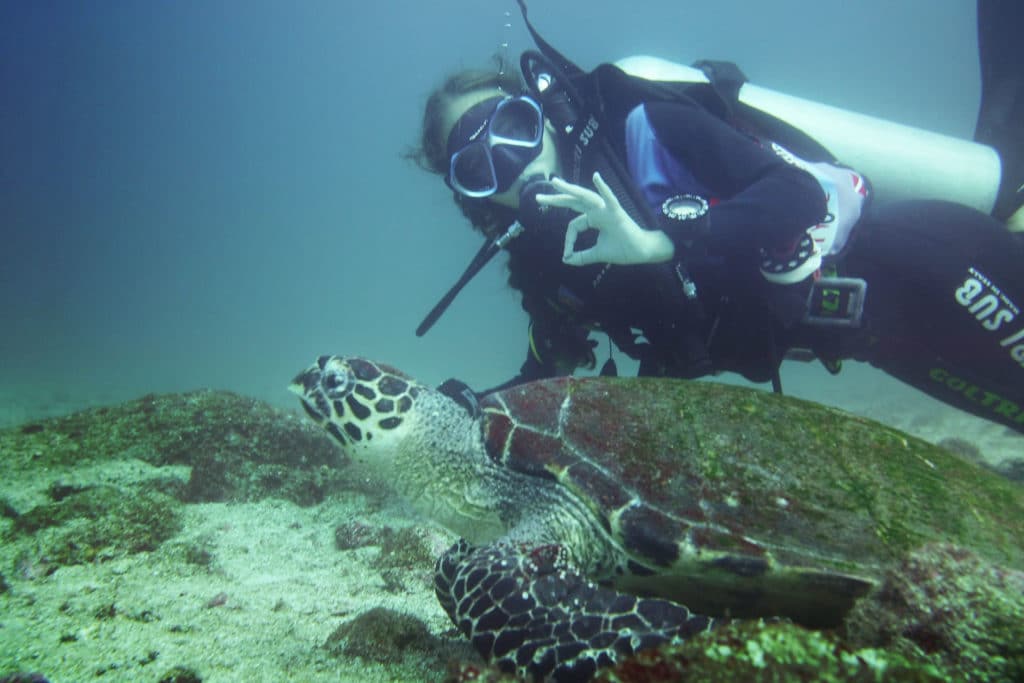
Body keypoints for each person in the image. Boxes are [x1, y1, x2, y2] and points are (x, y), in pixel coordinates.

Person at [408, 2, 1024, 436]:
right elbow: (550, 362)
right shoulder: (550, 264)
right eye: (479, 163)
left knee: (1008, 173)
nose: (513, 163)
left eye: (513, 128)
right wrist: (467, 415)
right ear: (475, 197)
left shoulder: (642, 131)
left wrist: (665, 240)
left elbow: (798, 195)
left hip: (905, 257)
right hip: (871, 340)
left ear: (539, 111)